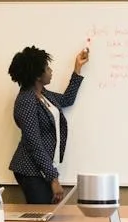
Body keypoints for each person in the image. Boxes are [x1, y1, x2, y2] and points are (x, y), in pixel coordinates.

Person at [7, 44, 88, 204]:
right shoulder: (26, 100)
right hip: (30, 170)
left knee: (46, 216)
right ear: (38, 75)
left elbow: (67, 99)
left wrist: (77, 68)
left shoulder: (43, 94)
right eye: (47, 68)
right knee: (42, 217)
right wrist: (53, 178)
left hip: (41, 169)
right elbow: (34, 143)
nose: (51, 71)